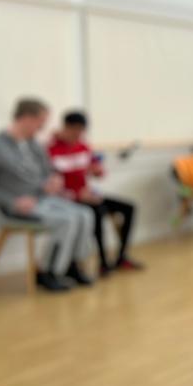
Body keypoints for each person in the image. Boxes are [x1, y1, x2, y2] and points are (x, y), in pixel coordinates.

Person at [0, 98, 94, 292]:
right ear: (27, 118)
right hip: (13, 207)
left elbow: (48, 170)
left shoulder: (33, 144)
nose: (43, 126)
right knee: (67, 221)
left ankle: (71, 265)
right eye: (41, 121)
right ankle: (48, 272)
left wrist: (54, 180)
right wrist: (13, 202)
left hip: (42, 199)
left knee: (85, 214)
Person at [48, 111, 143, 276]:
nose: (78, 135)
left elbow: (96, 170)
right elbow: (51, 186)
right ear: (66, 127)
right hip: (67, 200)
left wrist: (97, 172)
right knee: (97, 211)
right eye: (75, 130)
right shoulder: (51, 150)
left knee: (129, 208)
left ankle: (121, 257)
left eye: (81, 131)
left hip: (87, 195)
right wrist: (77, 195)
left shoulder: (83, 146)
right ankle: (103, 263)